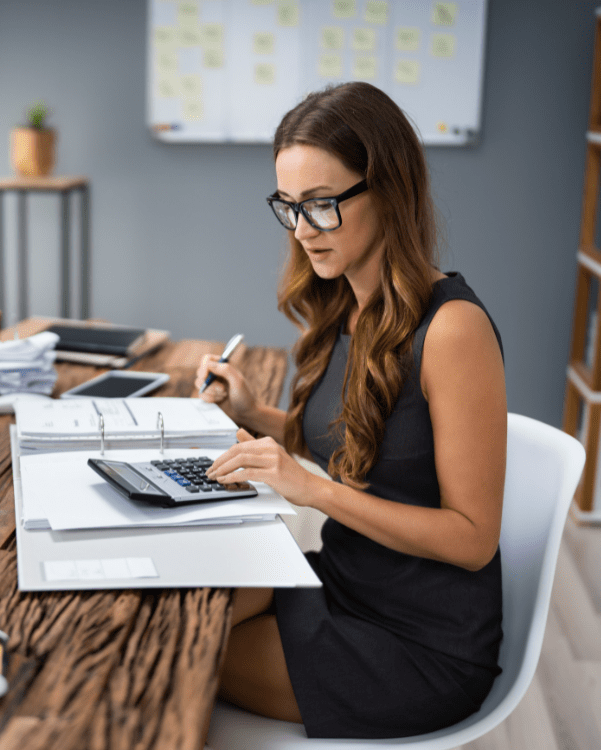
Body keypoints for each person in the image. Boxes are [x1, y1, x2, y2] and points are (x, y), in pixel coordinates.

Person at [195, 81, 507, 740]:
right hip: (344, 582)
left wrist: (313, 492)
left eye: (323, 205)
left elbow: (473, 539)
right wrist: (258, 415)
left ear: (388, 189)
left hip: (419, 644)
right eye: (290, 206)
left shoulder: (452, 330)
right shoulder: (351, 305)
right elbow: (369, 448)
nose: (304, 230)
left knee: (182, 657)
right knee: (177, 612)